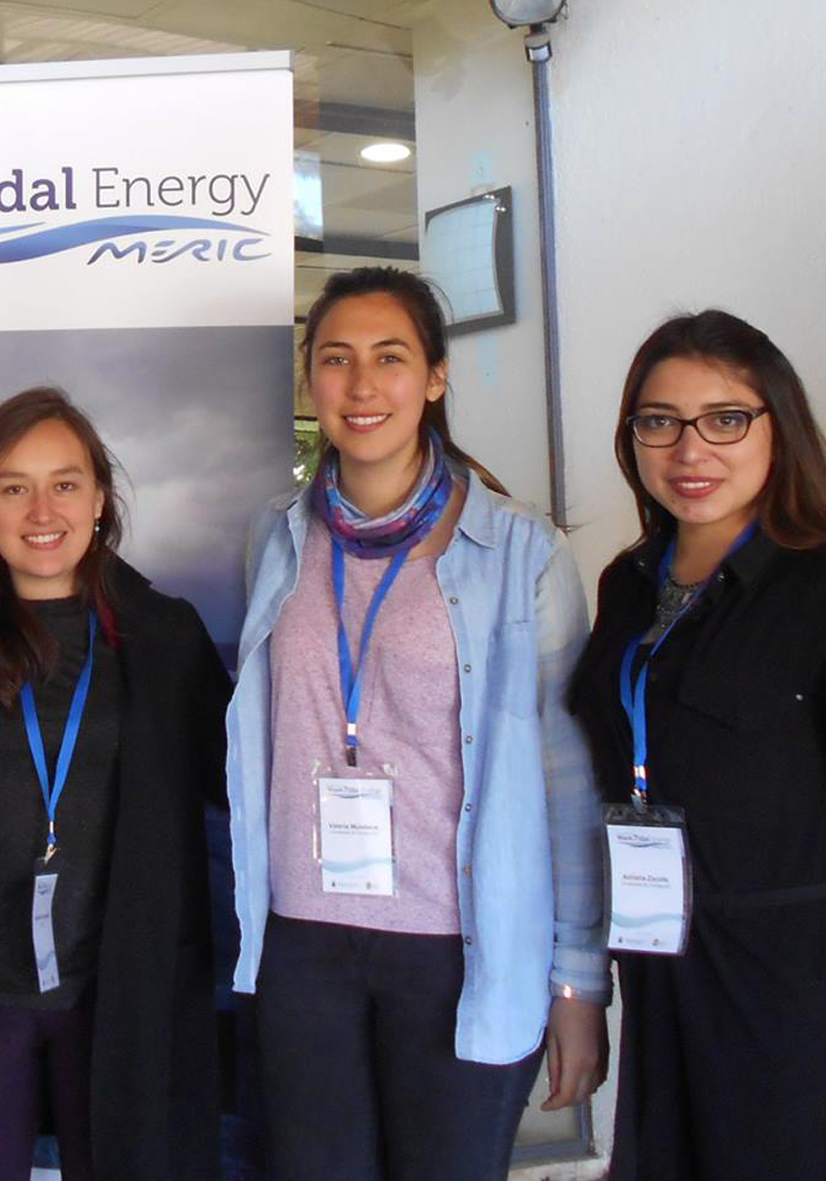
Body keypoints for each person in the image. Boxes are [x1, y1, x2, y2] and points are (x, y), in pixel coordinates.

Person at [226, 266, 609, 1181]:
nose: (362, 387)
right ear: (310, 378)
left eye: (390, 358)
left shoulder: (523, 553)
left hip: (458, 946)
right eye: (336, 359)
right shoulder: (274, 537)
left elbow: (567, 784)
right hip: (303, 944)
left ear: (435, 376)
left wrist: (579, 979)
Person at [567, 310, 826, 1181]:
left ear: (779, 428)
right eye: (660, 422)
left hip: (799, 999)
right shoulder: (628, 586)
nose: (691, 451)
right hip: (664, 978)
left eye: (726, 419)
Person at [0, 387, 230, 1181]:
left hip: (118, 989)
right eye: (13, 485)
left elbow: (234, 790)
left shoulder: (167, 642)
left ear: (100, 499)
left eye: (65, 483)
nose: (42, 508)